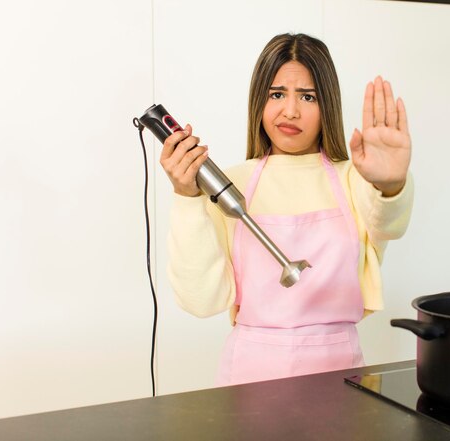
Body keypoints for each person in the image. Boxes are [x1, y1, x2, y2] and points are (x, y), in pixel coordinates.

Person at [159, 33, 413, 386]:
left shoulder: (356, 178)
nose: (290, 110)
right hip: (249, 375)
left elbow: (389, 224)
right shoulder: (228, 185)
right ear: (258, 101)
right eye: (277, 94)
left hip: (338, 372)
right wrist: (186, 198)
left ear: (327, 105)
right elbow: (201, 300)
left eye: (307, 96)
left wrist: (390, 183)